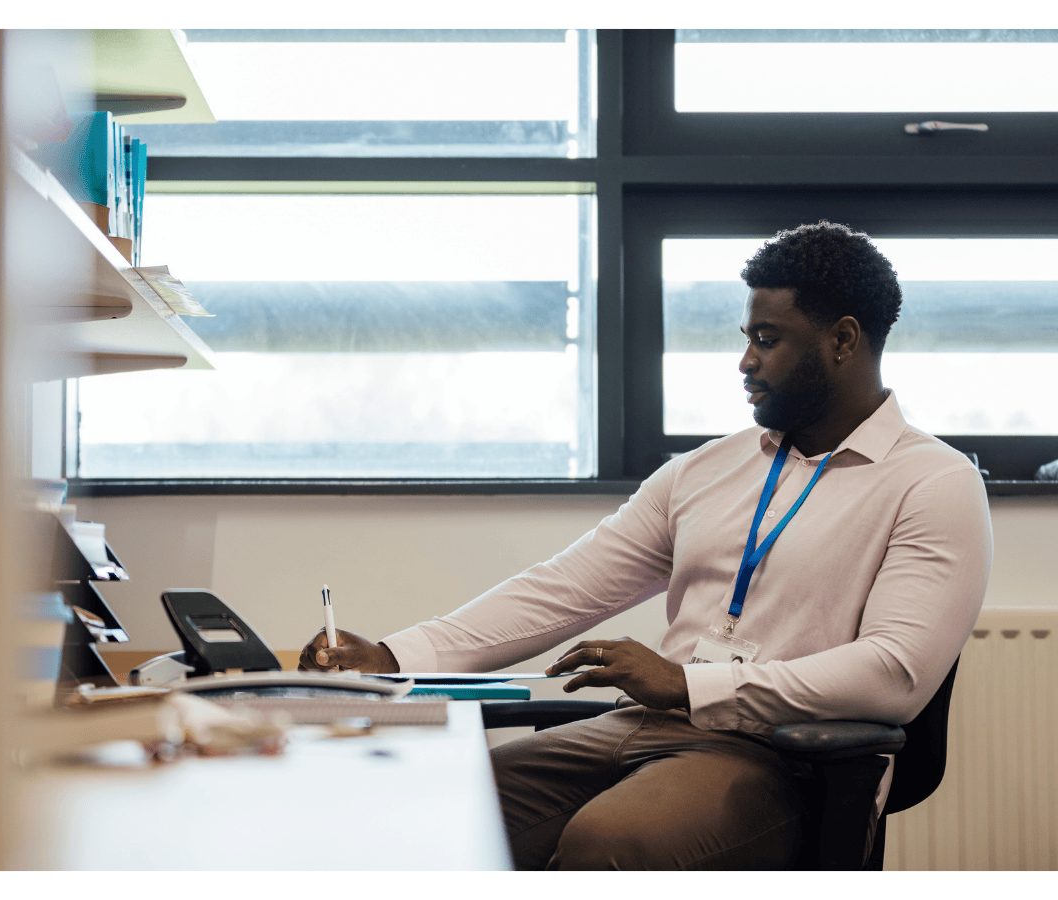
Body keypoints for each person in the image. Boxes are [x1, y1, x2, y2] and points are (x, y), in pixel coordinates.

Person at [298, 221, 993, 871]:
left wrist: (691, 683)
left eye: (767, 338)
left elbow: (893, 675)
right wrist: (393, 657)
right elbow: (564, 589)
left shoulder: (933, 483)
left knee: (610, 841)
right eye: (746, 336)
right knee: (427, 806)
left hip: (782, 759)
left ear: (843, 341)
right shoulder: (705, 471)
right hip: (641, 726)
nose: (746, 361)